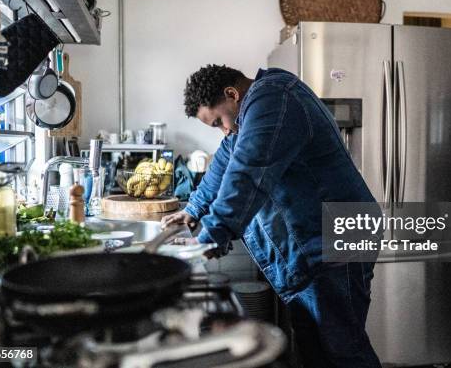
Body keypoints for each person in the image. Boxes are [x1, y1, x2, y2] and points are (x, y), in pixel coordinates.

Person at [162, 64, 382, 368]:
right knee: (314, 345)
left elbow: (248, 171)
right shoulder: (251, 111)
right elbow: (226, 161)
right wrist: (193, 209)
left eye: (217, 122)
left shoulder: (273, 99)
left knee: (343, 349)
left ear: (231, 94)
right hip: (315, 241)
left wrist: (213, 233)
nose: (224, 131)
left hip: (335, 237)